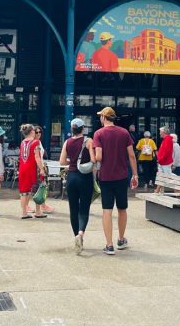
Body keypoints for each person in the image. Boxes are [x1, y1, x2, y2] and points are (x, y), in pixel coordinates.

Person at [93, 107, 138, 256]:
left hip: (106, 177)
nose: (100, 118)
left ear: (104, 117)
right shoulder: (124, 132)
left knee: (107, 210)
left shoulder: (98, 134)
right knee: (122, 208)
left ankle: (109, 245)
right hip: (122, 176)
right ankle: (121, 239)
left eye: (101, 116)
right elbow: (131, 155)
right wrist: (135, 175)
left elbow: (98, 157)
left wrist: (92, 154)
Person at [59, 118, 94, 254]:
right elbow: (93, 159)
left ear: (71, 129)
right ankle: (80, 234)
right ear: (83, 129)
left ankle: (76, 237)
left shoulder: (67, 142)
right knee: (84, 209)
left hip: (71, 177)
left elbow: (62, 161)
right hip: (85, 177)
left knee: (73, 210)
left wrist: (72, 161)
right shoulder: (88, 141)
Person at [18, 124, 46, 219]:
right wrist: (42, 168)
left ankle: (24, 213)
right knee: (37, 189)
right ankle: (38, 211)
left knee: (24, 191)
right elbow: (37, 157)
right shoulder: (36, 142)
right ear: (32, 132)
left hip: (22, 168)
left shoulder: (22, 142)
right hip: (33, 168)